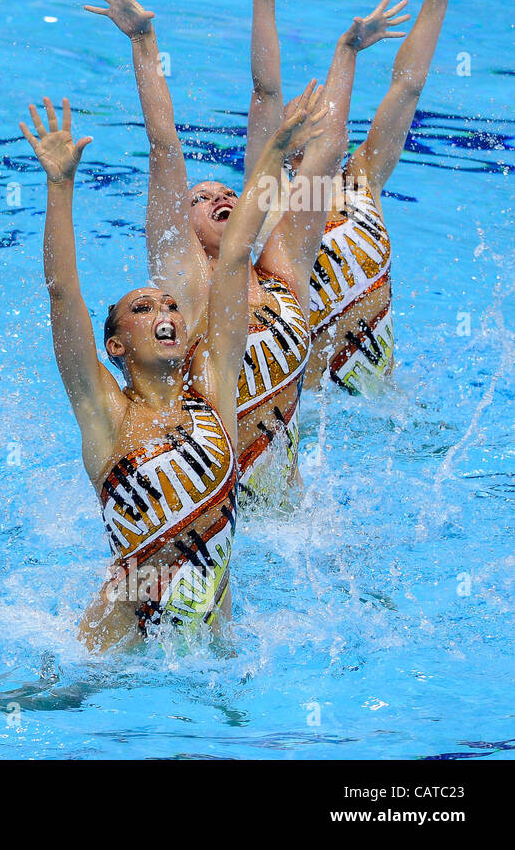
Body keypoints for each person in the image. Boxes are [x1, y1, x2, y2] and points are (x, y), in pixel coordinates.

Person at [21, 88, 326, 650]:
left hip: (211, 658)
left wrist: (277, 153)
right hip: (110, 663)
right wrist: (59, 186)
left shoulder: (215, 395)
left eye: (169, 304)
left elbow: (234, 255)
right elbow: (63, 295)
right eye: (143, 308)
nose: (164, 311)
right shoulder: (106, 416)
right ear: (115, 346)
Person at [84, 0, 372, 497]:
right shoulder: (185, 290)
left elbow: (307, 133)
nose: (219, 197)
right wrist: (145, 43)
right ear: (181, 226)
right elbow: (165, 148)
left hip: (292, 518)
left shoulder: (286, 270)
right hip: (216, 505)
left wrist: (275, 0)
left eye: (227, 193)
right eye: (199, 198)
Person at [304, 0, 481, 392]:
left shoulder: (361, 180)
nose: (319, 119)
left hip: (385, 405)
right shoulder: (272, 208)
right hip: (321, 419)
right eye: (304, 118)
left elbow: (407, 87)